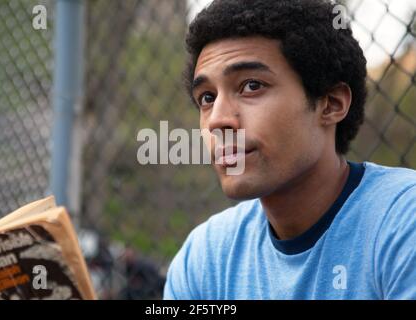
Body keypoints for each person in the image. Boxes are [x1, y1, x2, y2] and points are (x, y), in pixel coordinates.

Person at [163, 0, 416, 300]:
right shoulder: (205, 260)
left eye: (252, 85)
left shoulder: (402, 225)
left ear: (331, 104)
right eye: (206, 97)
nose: (217, 120)